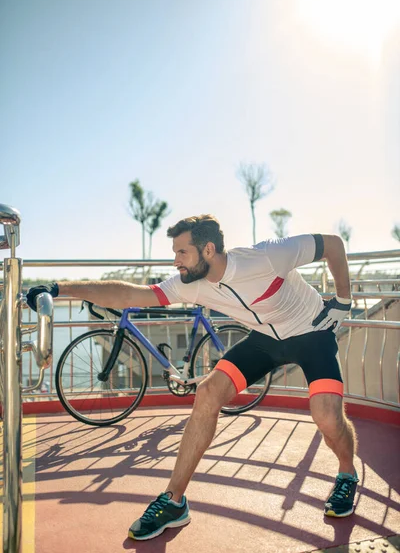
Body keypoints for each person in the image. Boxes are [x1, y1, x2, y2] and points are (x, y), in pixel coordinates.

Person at [27, 214, 358, 541]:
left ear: (208, 250)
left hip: (312, 332)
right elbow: (130, 296)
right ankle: (174, 501)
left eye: (181, 252)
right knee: (208, 392)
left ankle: (346, 473)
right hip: (265, 339)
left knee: (327, 417)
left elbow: (333, 245)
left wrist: (343, 300)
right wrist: (60, 288)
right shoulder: (191, 283)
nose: (175, 262)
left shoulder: (268, 255)